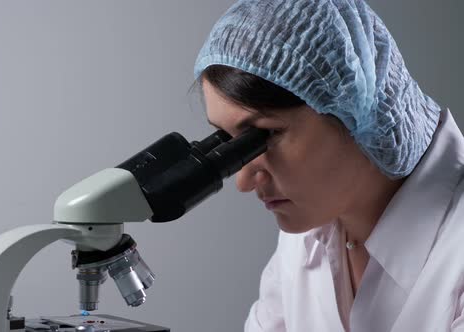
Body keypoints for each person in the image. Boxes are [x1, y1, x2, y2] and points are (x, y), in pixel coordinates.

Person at [193, 0, 464, 331]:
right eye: (227, 140)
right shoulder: (307, 239)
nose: (244, 181)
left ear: (353, 108)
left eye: (263, 135)